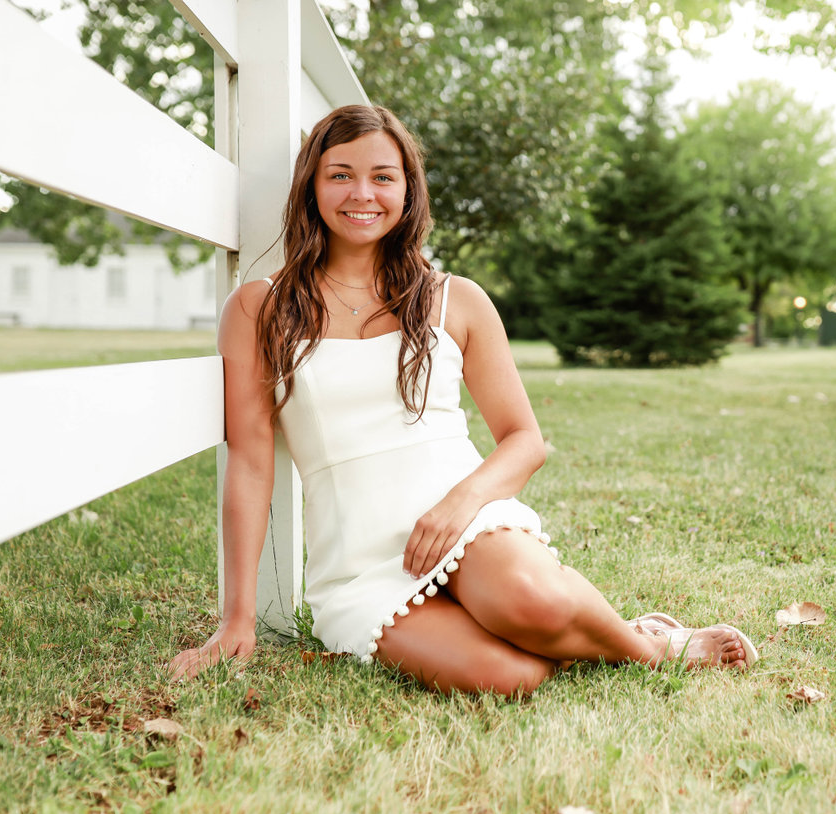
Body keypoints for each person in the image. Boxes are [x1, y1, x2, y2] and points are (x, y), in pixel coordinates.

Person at [168, 105, 757, 695]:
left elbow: (525, 441)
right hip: (357, 563)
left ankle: (652, 647)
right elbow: (249, 463)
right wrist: (236, 620)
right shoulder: (259, 308)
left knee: (534, 603)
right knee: (509, 676)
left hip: (468, 520)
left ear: (408, 189)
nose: (362, 193)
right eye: (340, 174)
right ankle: (589, 631)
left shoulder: (457, 299)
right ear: (311, 187)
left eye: (383, 176)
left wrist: (461, 504)